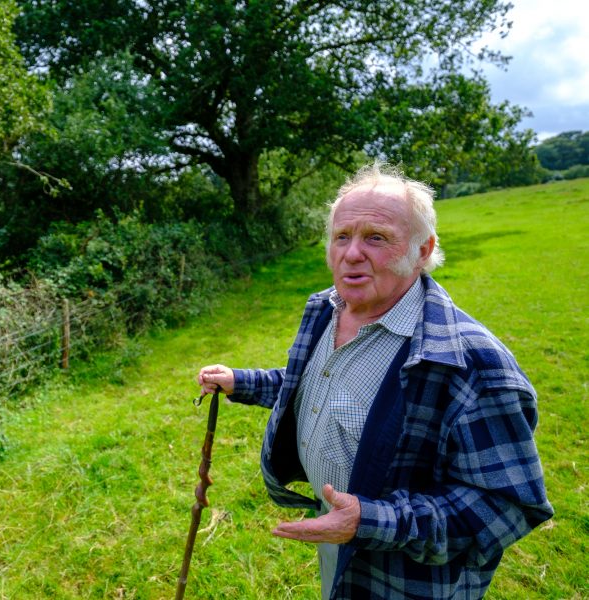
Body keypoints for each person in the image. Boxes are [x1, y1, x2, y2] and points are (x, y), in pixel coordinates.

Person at [197, 162, 553, 599]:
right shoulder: (327, 310)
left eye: (376, 238)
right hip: (342, 550)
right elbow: (311, 386)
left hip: (408, 580)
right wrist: (242, 382)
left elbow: (507, 505)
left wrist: (369, 521)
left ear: (424, 250)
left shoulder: (472, 364)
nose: (351, 254)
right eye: (342, 237)